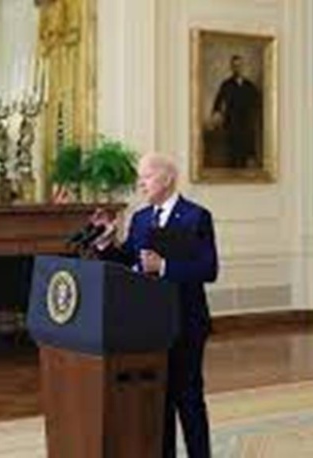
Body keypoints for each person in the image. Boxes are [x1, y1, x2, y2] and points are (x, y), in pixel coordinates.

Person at [90, 153, 218, 458]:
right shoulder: (141, 218)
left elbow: (208, 269)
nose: (140, 183)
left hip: (186, 321)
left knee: (188, 397)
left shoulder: (196, 216)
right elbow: (130, 261)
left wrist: (164, 267)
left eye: (146, 176)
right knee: (159, 398)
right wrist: (108, 244)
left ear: (167, 178)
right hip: (150, 326)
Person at [209, 55, 261, 169]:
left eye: (239, 65)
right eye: (235, 66)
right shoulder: (226, 84)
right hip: (231, 122)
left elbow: (257, 103)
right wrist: (216, 114)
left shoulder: (250, 86)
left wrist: (253, 116)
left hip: (246, 123)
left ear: (243, 67)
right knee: (232, 153)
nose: (237, 68)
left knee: (245, 153)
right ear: (231, 68)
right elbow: (218, 101)